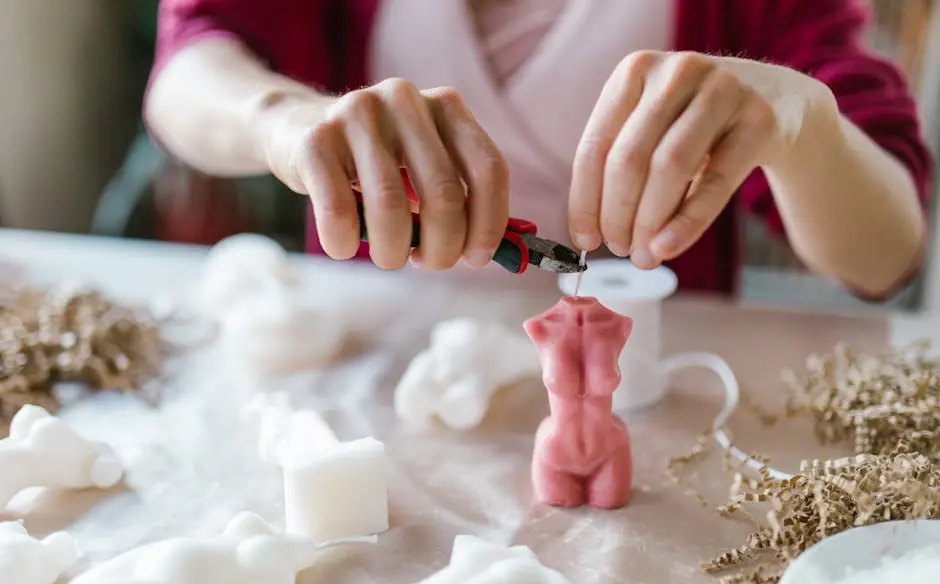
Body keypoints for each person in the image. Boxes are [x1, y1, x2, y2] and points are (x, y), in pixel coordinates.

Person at [144, 0, 932, 298]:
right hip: (367, 375)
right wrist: (280, 118)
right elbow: (187, 73)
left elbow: (889, 252)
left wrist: (805, 124)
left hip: (653, 399)